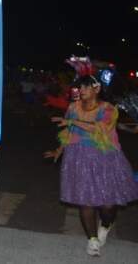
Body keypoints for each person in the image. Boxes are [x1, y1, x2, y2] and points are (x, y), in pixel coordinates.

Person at [44, 71, 138, 256]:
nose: (82, 89)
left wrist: (72, 121)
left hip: (106, 159)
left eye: (87, 86)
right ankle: (92, 240)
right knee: (85, 200)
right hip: (78, 158)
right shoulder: (73, 107)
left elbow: (100, 129)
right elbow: (69, 132)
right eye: (80, 86)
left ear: (97, 89)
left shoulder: (109, 109)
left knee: (108, 206)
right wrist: (59, 150)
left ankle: (105, 225)